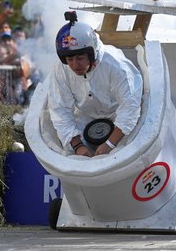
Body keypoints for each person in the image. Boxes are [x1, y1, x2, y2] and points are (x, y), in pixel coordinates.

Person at [48, 11, 143, 157]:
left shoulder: (116, 66)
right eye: (70, 60)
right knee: (69, 153)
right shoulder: (61, 70)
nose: (74, 65)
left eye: (80, 58)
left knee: (125, 151)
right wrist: (78, 146)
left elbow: (130, 108)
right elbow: (60, 110)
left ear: (91, 54)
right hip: (85, 117)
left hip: (119, 117)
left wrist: (110, 144)